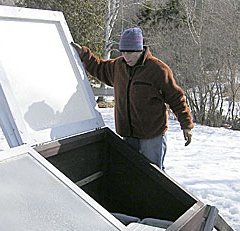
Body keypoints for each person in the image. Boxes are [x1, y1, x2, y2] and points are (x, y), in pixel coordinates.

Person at [72, 27, 193, 171]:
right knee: (131, 174)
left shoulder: (158, 70)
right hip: (128, 135)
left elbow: (176, 98)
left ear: (140, 49)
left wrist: (186, 125)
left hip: (152, 136)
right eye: (123, 52)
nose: (126, 56)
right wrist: (84, 54)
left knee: (154, 175)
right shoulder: (118, 66)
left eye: (130, 52)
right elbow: (99, 67)